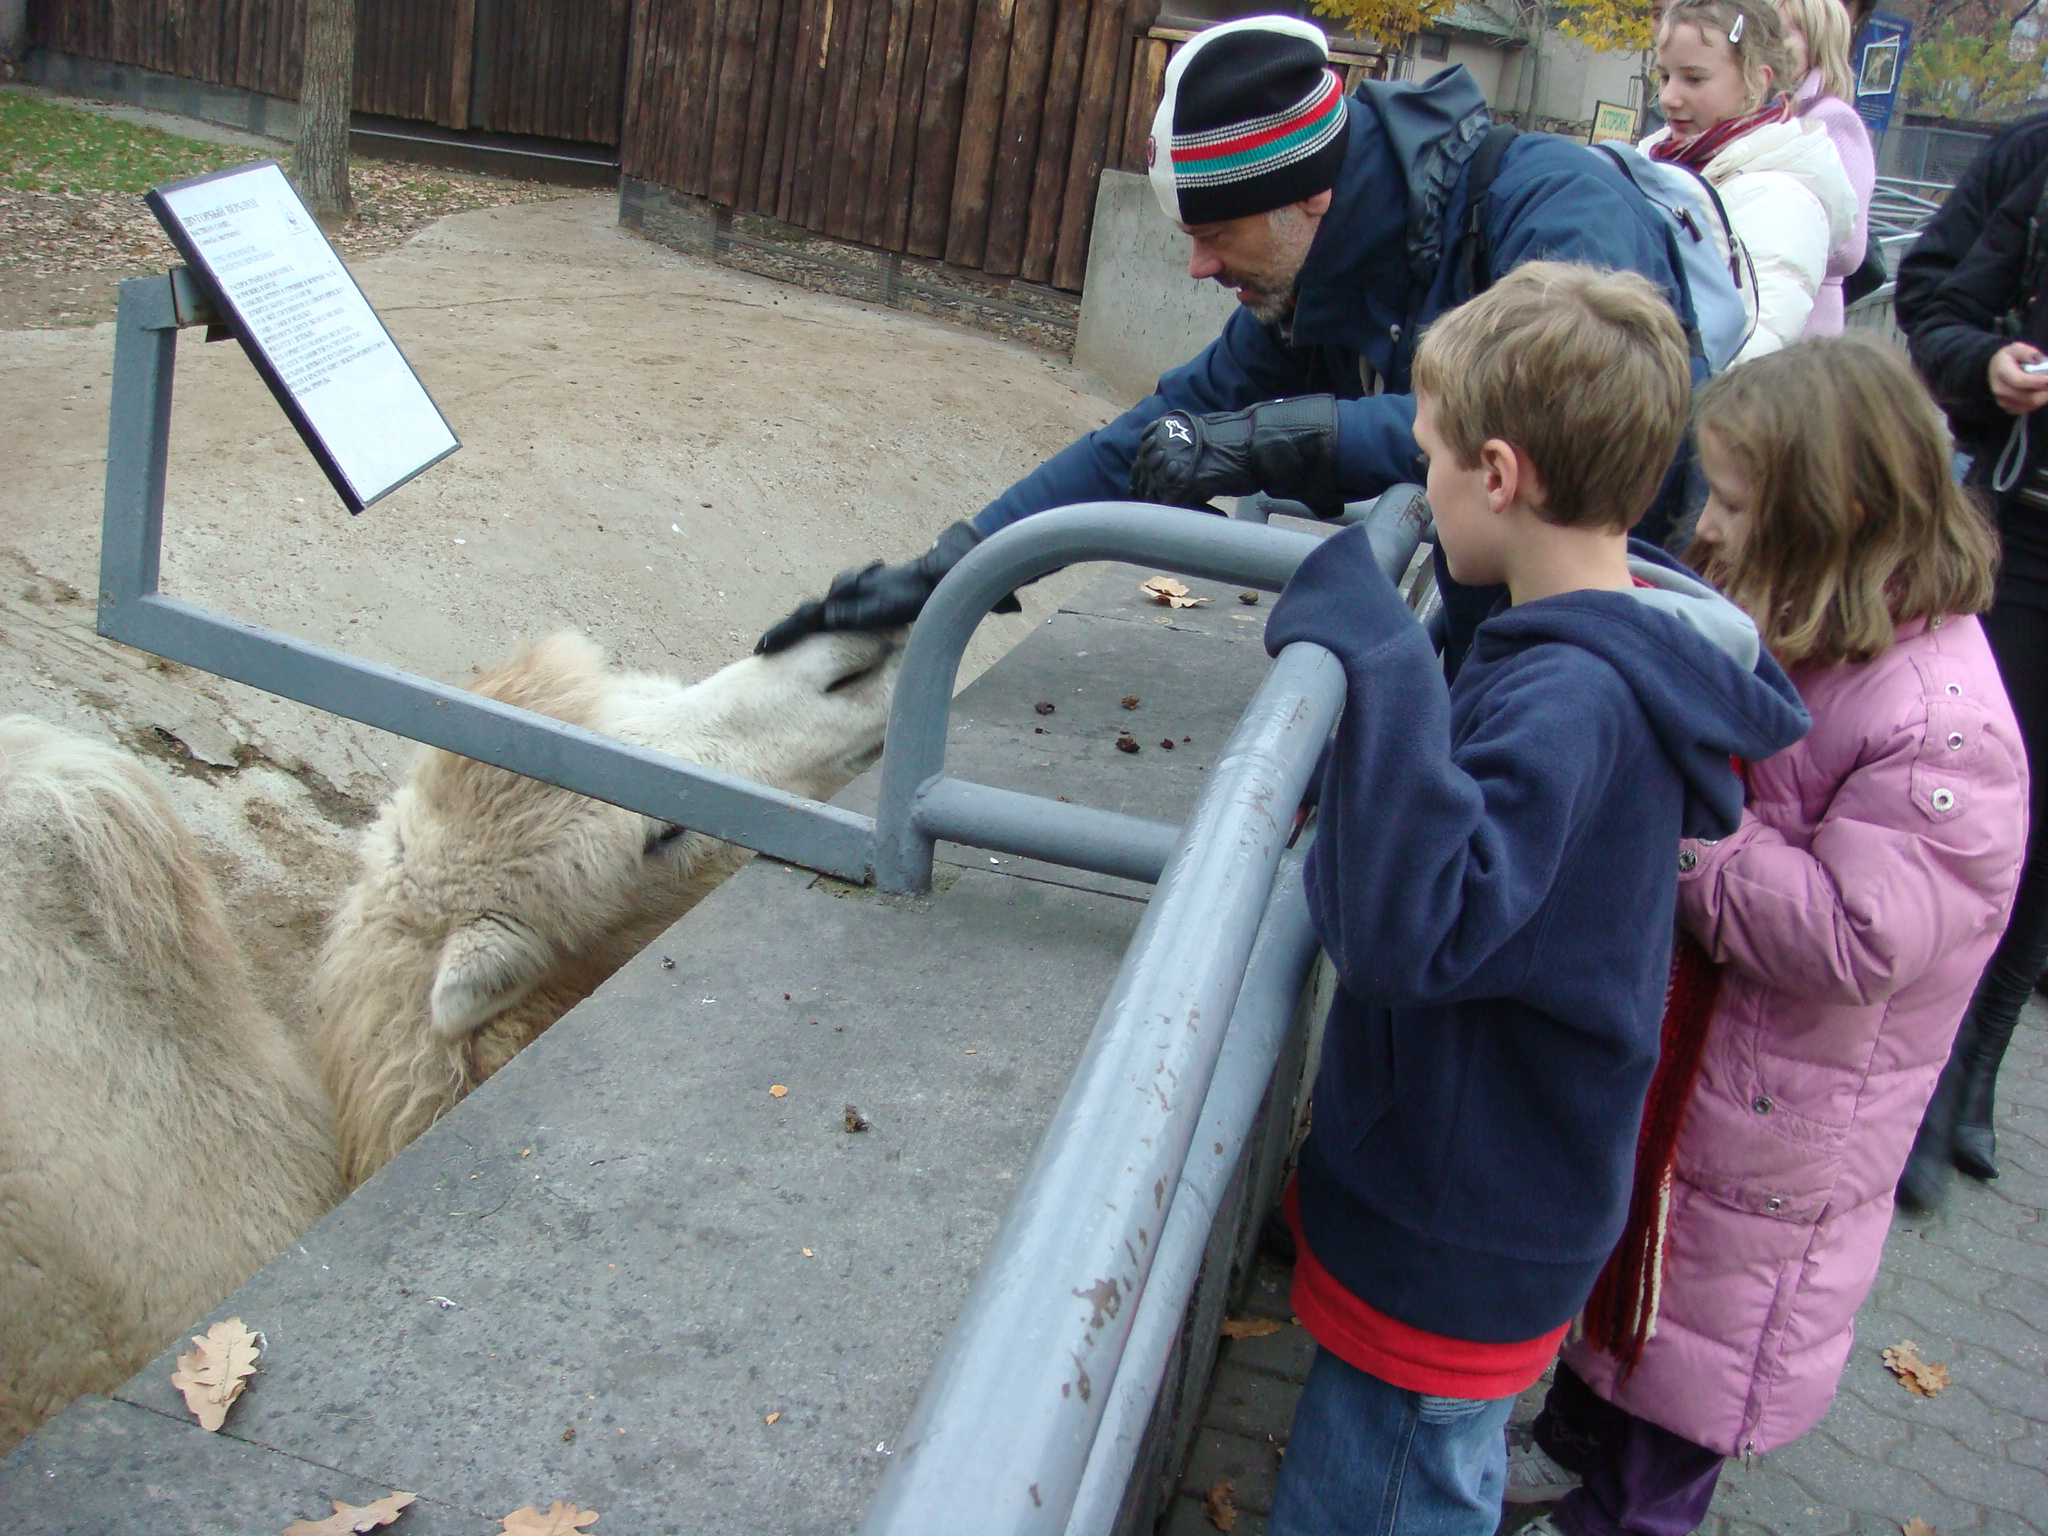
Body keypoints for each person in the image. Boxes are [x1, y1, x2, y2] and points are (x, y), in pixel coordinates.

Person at [1253, 261, 1810, 1536]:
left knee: (1383, 1500)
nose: (1420, 484)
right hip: (1490, 1199)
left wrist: (1377, 650)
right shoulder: (1590, 656)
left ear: (1498, 477)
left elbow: (1413, 926)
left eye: (1433, 457)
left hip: (1459, 1222)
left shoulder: (1570, 699)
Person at [1506, 340, 2027, 1535]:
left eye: (1736, 502)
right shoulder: (1812, 619)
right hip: (1702, 1111)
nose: (1714, 523)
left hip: (1770, 1154)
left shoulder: (1943, 729)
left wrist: (1676, 839)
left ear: (1830, 511)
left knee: (1678, 1411)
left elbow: (1850, 936)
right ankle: (1569, 1472)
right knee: (1622, 1358)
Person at [756, 15, 1702, 658]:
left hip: (1643, 624)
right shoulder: (1318, 277)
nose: (1198, 269)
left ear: (1308, 196)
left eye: (1215, 234)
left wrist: (1271, 442)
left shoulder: (1554, 209)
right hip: (1514, 627)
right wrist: (951, 565)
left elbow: (1550, 436)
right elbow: (1170, 421)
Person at [1896, 140, 2048, 1209]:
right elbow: (1931, 298)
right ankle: (1924, 1064)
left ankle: (1976, 1063)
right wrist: (1983, 369)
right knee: (1980, 793)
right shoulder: (2029, 156)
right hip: (2025, 531)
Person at [1644, 0, 1856, 361]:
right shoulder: (1659, 156)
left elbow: (1748, 349)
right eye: (1664, 77)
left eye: (1694, 78)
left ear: (1758, 80)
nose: (1668, 97)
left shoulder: (1782, 200)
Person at [1776, 0, 1873, 335]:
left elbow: (1848, 246)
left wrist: (1771, 235)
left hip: (1807, 320)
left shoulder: (1833, 120)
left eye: (1783, 34)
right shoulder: (1770, 113)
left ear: (1816, 46)